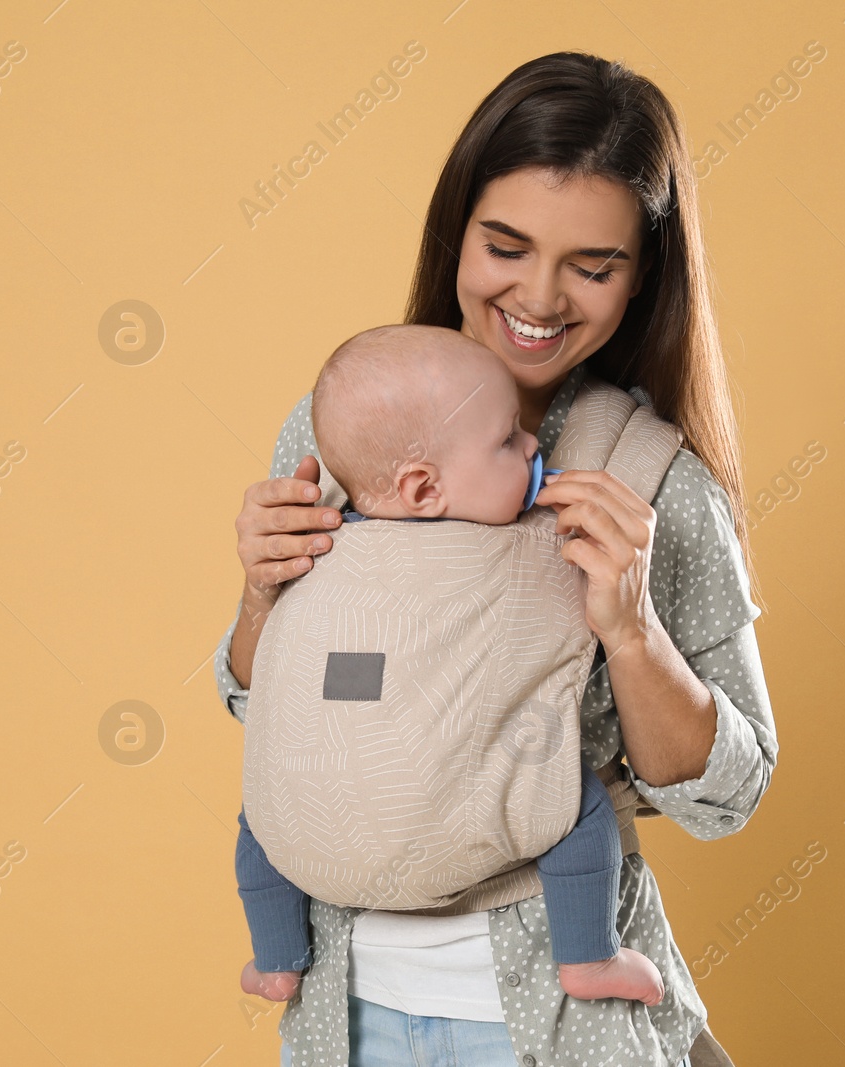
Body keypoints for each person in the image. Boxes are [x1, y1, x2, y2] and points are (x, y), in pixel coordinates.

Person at [216, 51, 777, 1067]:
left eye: (592, 266)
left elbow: (726, 796)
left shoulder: (651, 483)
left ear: (641, 276)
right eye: (504, 245)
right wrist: (261, 599)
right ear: (456, 233)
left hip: (560, 1022)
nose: (539, 295)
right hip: (347, 1010)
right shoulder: (333, 432)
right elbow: (277, 712)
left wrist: (633, 629)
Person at [234, 324, 665, 1009]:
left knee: (264, 814)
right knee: (575, 804)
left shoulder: (323, 540)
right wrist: (256, 593)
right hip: (441, 834)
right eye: (508, 441)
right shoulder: (533, 556)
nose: (534, 447)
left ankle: (277, 955)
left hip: (314, 825)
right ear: (424, 487)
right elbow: (250, 683)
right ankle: (588, 955)